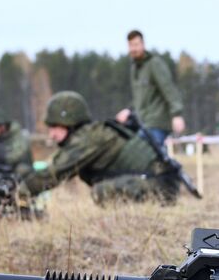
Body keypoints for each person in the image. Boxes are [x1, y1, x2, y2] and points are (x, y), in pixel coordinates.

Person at [22, 91, 177, 205]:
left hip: (157, 184)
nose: (52, 135)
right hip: (154, 181)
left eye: (55, 127)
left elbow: (53, 174)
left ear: (70, 124)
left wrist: (17, 192)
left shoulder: (87, 139)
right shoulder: (89, 135)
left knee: (102, 191)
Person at [122, 29, 186, 147]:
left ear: (143, 44)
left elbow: (168, 88)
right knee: (150, 157)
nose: (133, 49)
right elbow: (139, 97)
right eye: (131, 45)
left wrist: (177, 114)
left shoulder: (154, 64)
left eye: (136, 45)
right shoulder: (134, 69)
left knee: (147, 154)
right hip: (143, 123)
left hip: (157, 122)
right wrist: (128, 110)